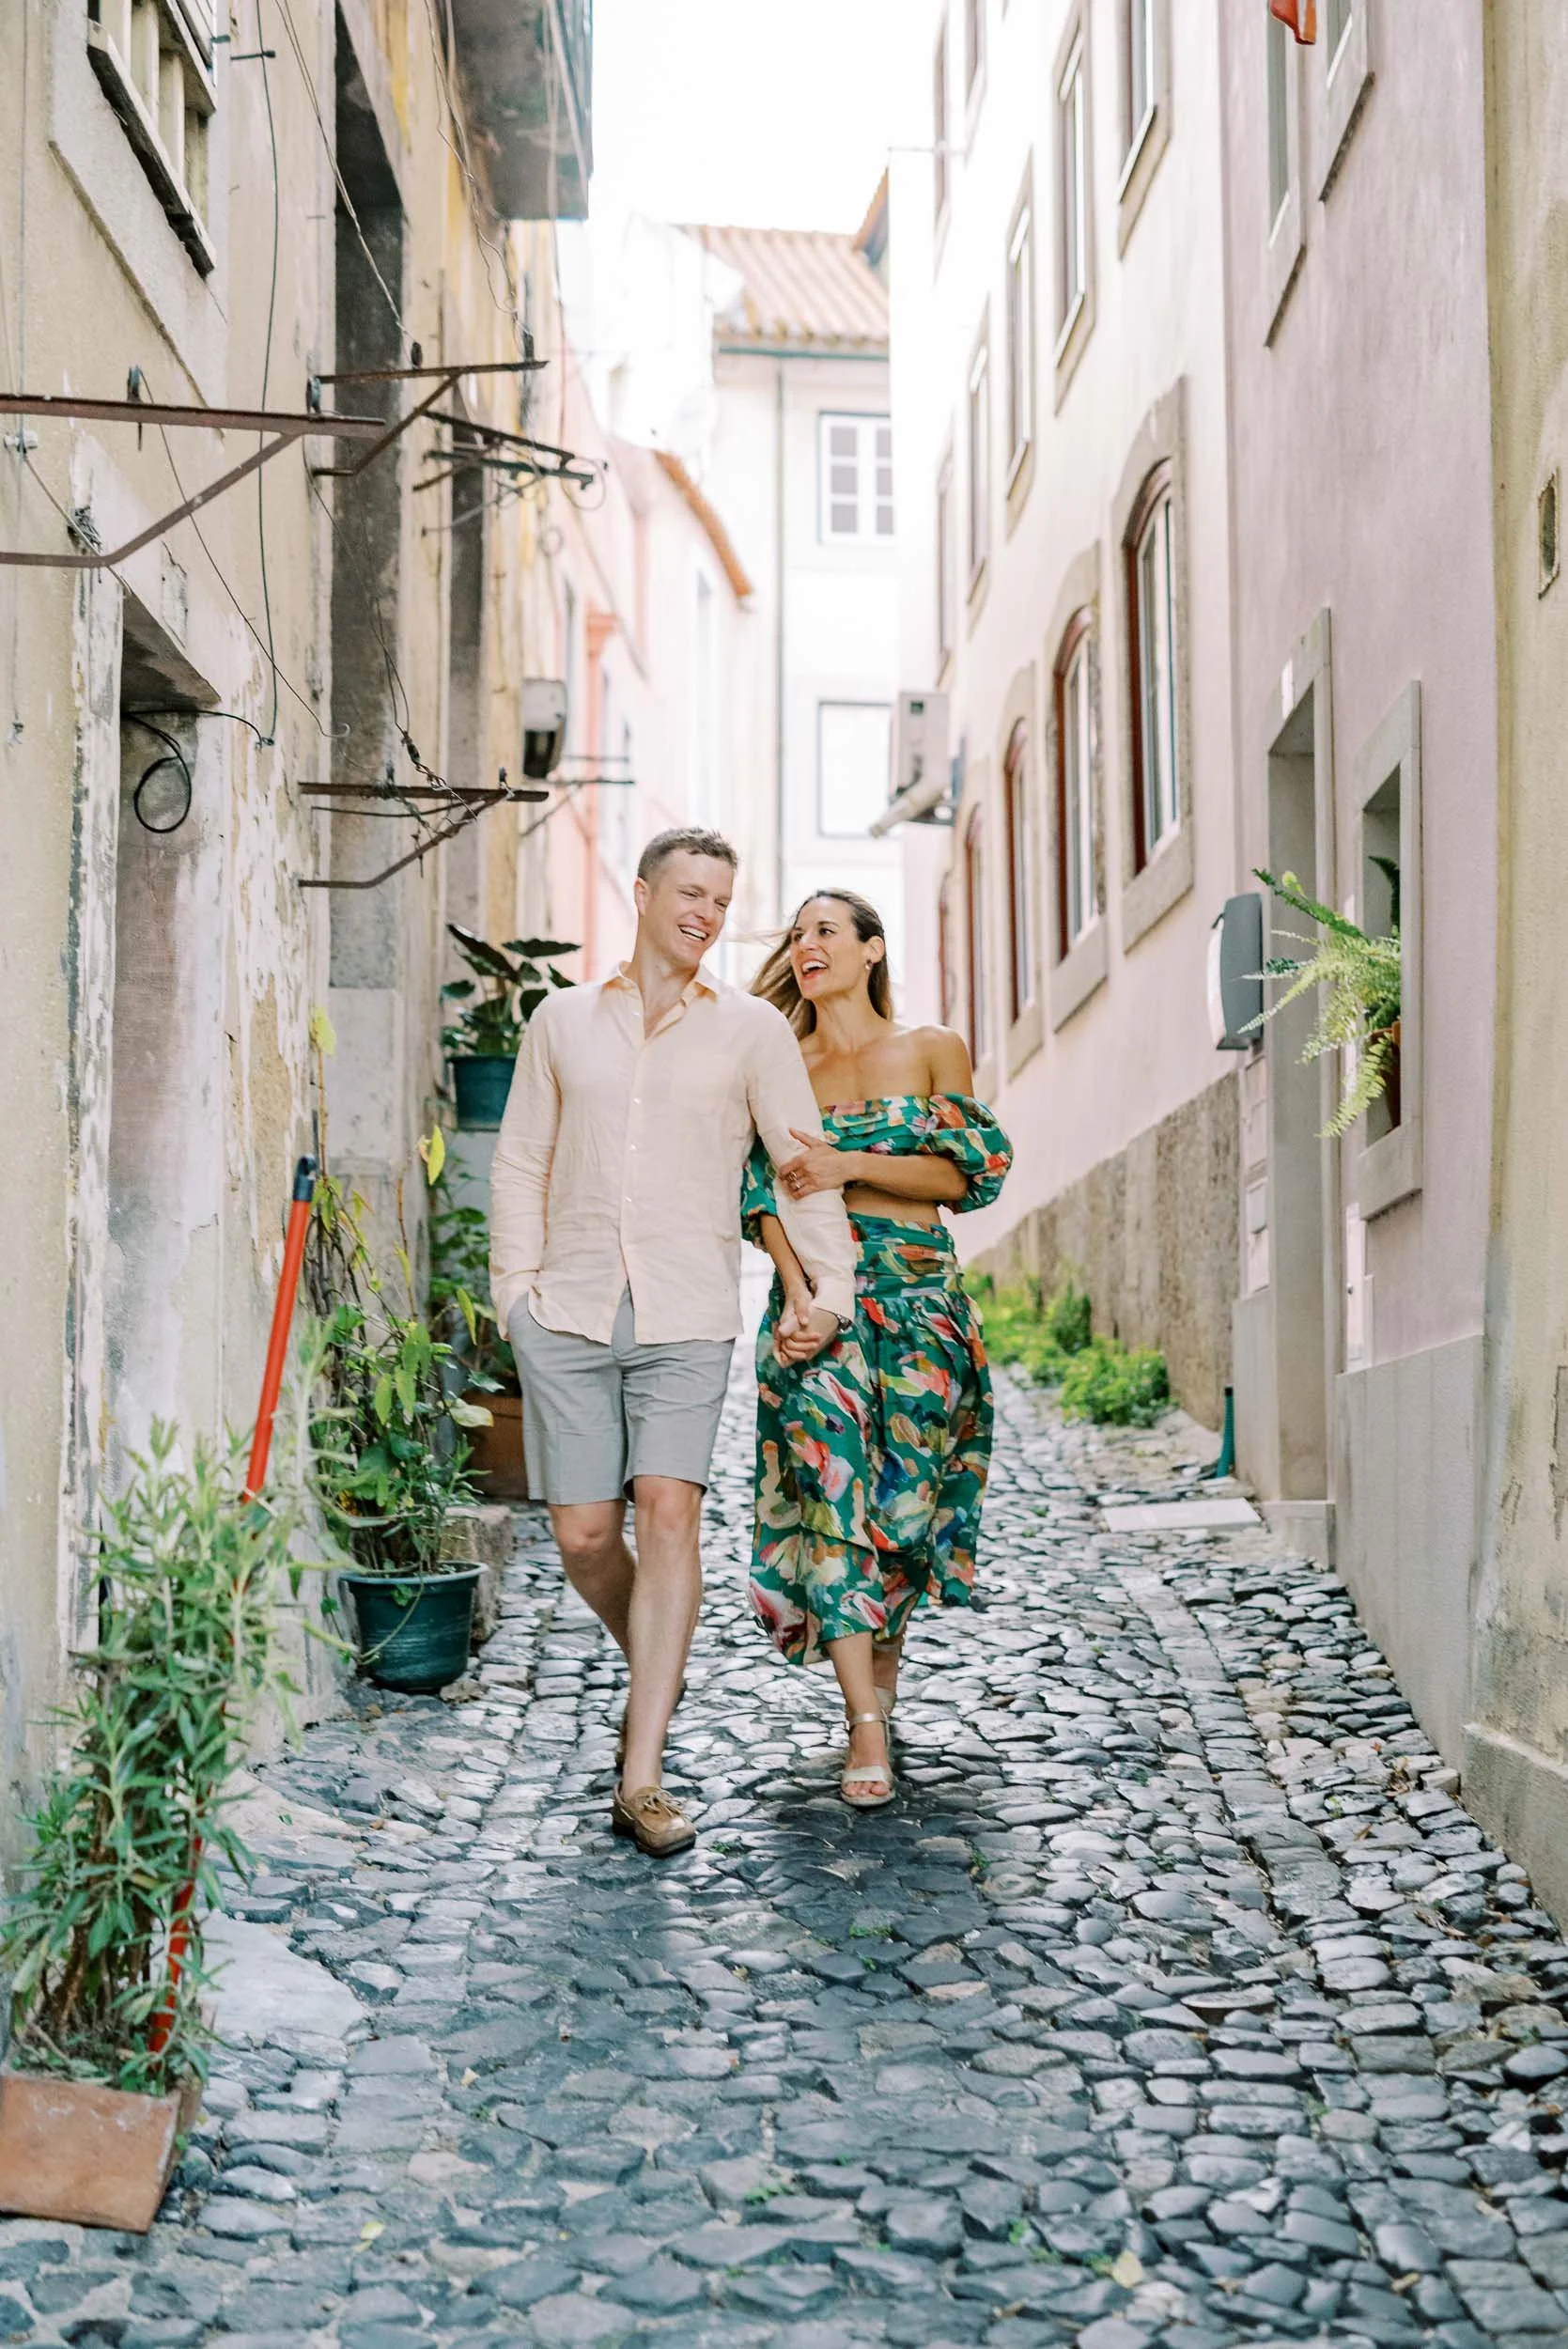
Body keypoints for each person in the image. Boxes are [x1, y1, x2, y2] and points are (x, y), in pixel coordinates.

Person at [489, 830, 856, 1858]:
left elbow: (798, 1162)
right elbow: (521, 1163)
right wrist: (513, 1291)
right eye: (690, 892)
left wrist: (829, 1287)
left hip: (687, 1310)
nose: (706, 912)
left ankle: (640, 1775)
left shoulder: (749, 1033)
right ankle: (660, 1652)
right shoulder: (560, 1020)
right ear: (644, 893)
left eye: (723, 899)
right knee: (585, 1538)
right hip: (564, 1306)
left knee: (669, 1515)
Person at [743, 891, 1011, 1807]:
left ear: (870, 949)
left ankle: (881, 1687)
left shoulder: (930, 1048)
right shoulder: (781, 1062)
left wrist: (851, 1163)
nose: (805, 944)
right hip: (823, 1303)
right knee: (831, 1495)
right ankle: (864, 1720)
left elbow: (964, 1175)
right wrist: (797, 1294)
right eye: (798, 932)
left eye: (825, 930)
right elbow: (759, 1194)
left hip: (922, 1299)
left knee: (901, 1506)